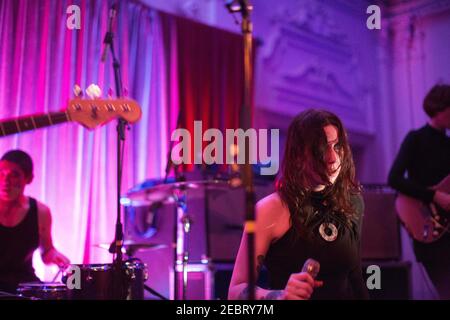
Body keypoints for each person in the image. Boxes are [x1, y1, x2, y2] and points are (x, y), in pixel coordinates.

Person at [228, 109, 369, 300]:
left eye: (337, 146)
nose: (332, 158)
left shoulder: (353, 202)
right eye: (321, 148)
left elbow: (355, 277)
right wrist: (280, 296)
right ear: (298, 155)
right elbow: (235, 290)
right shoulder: (270, 209)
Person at [388, 84, 450, 299]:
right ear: (439, 109)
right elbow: (393, 178)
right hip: (430, 231)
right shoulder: (416, 139)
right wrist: (434, 195)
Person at [0, 149, 70, 294]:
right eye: (1, 173)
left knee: (71, 288)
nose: (5, 181)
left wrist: (55, 256)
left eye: (14, 175)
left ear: (29, 178)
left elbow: (47, 251)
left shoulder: (41, 211)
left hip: (23, 286)